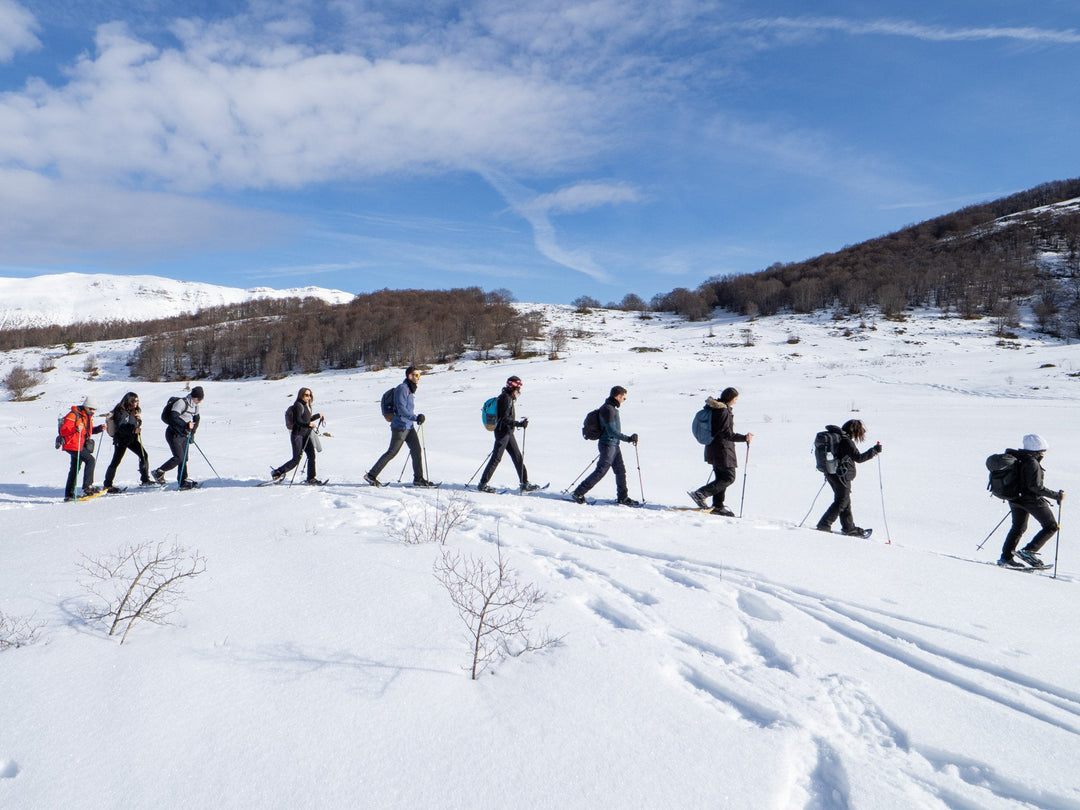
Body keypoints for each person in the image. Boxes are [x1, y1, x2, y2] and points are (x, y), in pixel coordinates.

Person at [998, 433, 1065, 568]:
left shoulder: (1019, 458)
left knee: (1018, 527)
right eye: (1042, 450)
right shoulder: (1032, 462)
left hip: (1015, 499)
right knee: (1051, 526)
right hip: (1031, 500)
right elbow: (1036, 487)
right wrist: (1057, 496)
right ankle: (1028, 552)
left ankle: (1005, 558)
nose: (1044, 453)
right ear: (1036, 449)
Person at [365, 367, 435, 487]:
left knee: (416, 450)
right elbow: (401, 409)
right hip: (400, 427)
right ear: (409, 376)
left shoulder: (410, 389)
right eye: (416, 375)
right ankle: (371, 475)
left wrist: (415, 419)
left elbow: (407, 409)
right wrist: (415, 417)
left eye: (419, 375)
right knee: (392, 452)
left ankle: (418, 479)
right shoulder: (402, 388)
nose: (418, 378)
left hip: (409, 426)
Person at [688, 387, 753, 516]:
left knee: (721, 478)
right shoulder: (722, 411)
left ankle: (718, 505)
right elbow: (726, 433)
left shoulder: (715, 409)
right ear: (730, 398)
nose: (736, 401)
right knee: (729, 477)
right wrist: (744, 438)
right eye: (735, 399)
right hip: (722, 450)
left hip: (713, 448)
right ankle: (701, 493)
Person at [572, 386, 639, 506]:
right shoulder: (608, 409)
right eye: (624, 398)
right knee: (601, 471)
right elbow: (611, 431)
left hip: (613, 445)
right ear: (618, 396)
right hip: (608, 445)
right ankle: (578, 493)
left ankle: (623, 497)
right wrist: (628, 439)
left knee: (620, 471)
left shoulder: (610, 408)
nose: (624, 400)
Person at [815, 419, 881, 537]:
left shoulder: (839, 438)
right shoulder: (846, 441)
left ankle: (848, 528)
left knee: (844, 500)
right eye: (859, 432)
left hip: (831, 473)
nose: (860, 434)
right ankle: (824, 524)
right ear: (854, 431)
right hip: (841, 475)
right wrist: (874, 451)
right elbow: (859, 458)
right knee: (842, 501)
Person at [477, 376, 540, 493]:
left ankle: (524, 483)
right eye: (518, 388)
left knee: (517, 457)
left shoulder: (507, 397)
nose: (519, 391)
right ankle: (483, 484)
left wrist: (516, 424)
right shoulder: (506, 399)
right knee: (496, 458)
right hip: (503, 433)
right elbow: (504, 419)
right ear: (514, 388)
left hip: (508, 433)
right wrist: (519, 424)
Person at [152, 386, 204, 490]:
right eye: (199, 399)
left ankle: (183, 481)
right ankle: (159, 472)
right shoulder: (181, 403)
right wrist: (186, 425)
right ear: (194, 397)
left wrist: (192, 433)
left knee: (184, 459)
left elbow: (197, 419)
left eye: (201, 399)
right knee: (179, 457)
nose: (200, 401)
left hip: (184, 434)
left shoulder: (195, 406)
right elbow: (173, 418)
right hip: (173, 433)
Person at [271, 388, 324, 484]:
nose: (308, 397)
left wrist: (317, 416)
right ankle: (278, 472)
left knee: (311, 456)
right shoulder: (298, 406)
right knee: (296, 459)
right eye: (306, 395)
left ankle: (311, 478)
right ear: (301, 395)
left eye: (310, 395)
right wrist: (308, 425)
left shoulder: (304, 405)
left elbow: (306, 419)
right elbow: (298, 421)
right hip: (298, 435)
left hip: (305, 435)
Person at [103, 392, 154, 491]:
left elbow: (134, 424)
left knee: (143, 455)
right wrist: (133, 430)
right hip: (121, 439)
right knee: (116, 461)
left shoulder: (132, 411)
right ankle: (107, 484)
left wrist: (138, 421)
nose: (136, 403)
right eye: (135, 401)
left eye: (137, 401)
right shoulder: (121, 411)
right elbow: (121, 426)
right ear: (129, 401)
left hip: (131, 438)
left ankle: (145, 479)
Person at [59, 396, 105, 501]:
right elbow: (63, 430)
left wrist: (98, 429)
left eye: (94, 409)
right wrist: (75, 428)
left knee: (75, 469)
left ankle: (69, 494)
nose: (93, 411)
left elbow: (86, 431)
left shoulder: (86, 416)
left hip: (78, 445)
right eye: (91, 409)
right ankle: (87, 487)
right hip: (73, 445)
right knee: (90, 460)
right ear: (86, 407)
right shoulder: (73, 415)